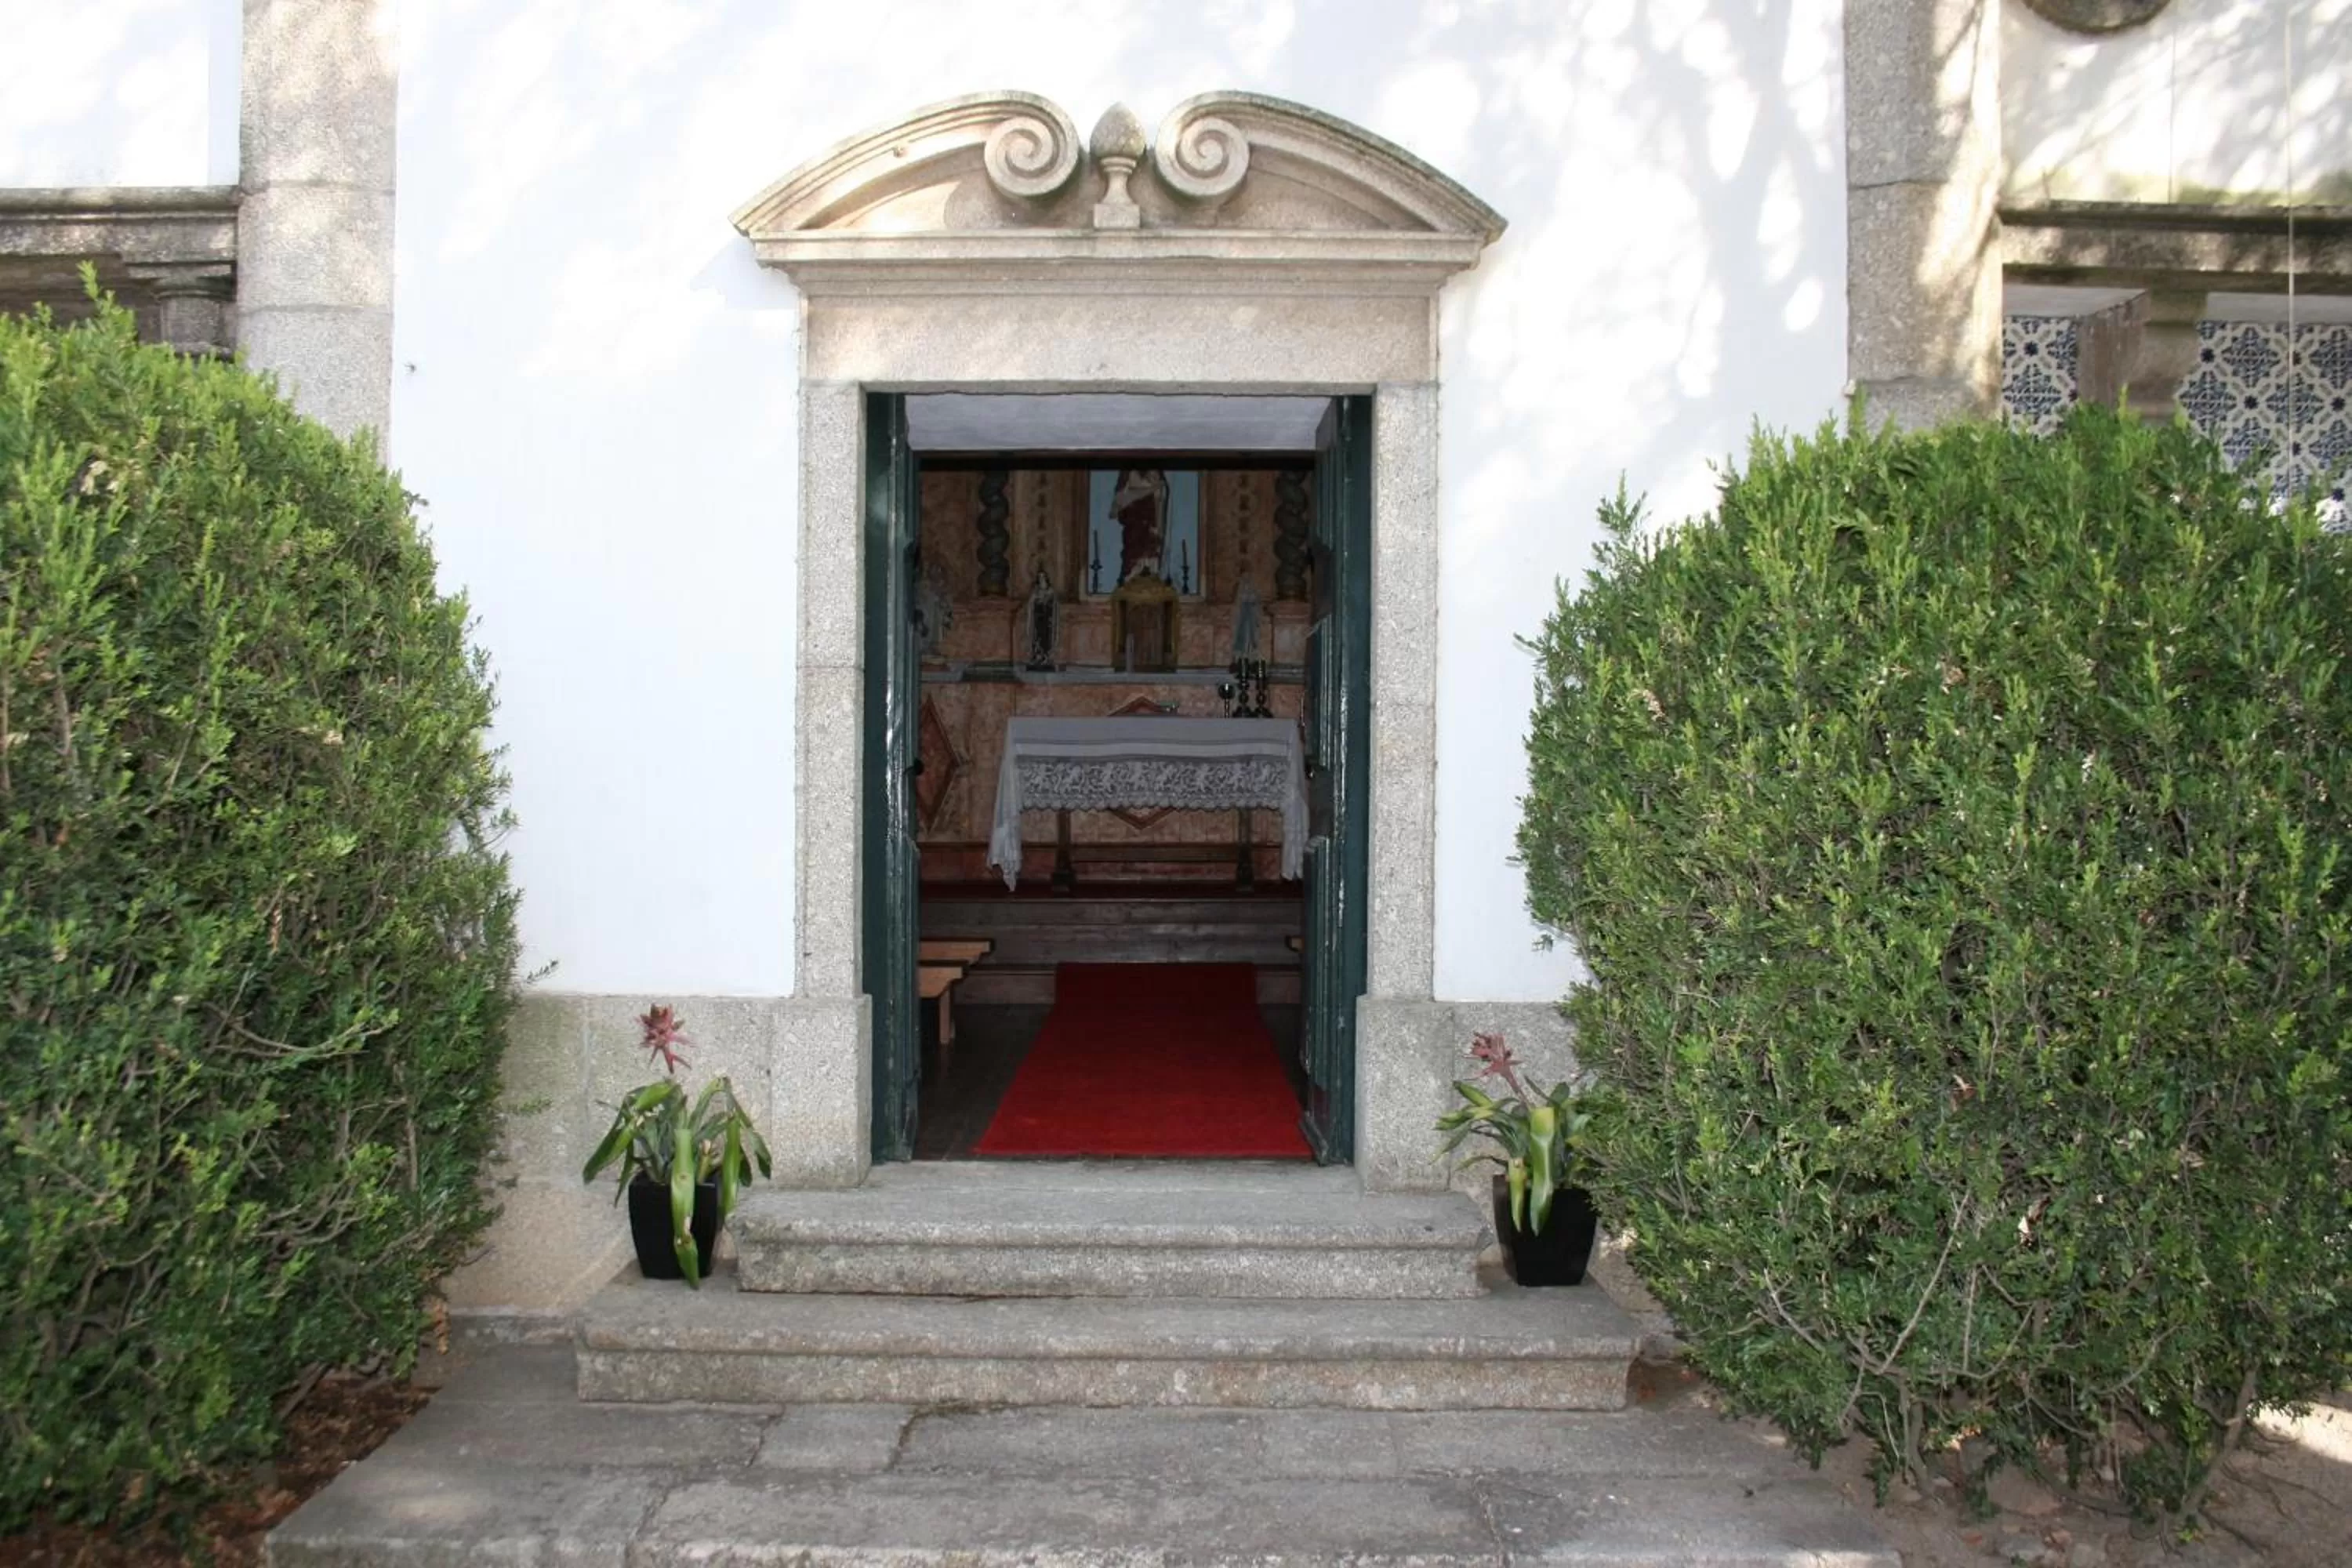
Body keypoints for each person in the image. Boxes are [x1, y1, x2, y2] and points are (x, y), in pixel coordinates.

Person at [1112, 467, 1168, 581]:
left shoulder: (1156, 470)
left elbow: (1160, 500)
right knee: (1133, 558)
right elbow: (1118, 502)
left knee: (1150, 558)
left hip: (1151, 529)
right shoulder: (1128, 471)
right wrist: (1150, 489)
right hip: (1134, 528)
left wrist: (1158, 530)